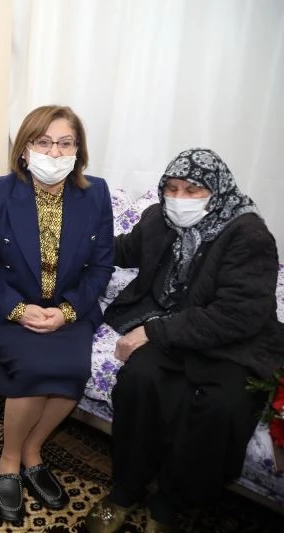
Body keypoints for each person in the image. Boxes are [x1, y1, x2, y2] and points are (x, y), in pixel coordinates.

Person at [84, 148, 284, 533]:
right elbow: (126, 249)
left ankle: (169, 504)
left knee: (220, 408)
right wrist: (77, 244)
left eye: (193, 190)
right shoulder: (159, 218)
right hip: (176, 330)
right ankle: (125, 490)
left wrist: (151, 331)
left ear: (217, 189)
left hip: (233, 342)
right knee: (138, 381)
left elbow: (238, 314)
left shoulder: (249, 234)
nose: (179, 198)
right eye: (172, 188)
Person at [0, 105, 115, 523]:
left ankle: (34, 450)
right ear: (24, 148)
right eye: (44, 142)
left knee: (72, 369)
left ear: (78, 150)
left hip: (68, 307)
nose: (55, 152)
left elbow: (101, 267)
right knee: (33, 369)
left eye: (66, 143)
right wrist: (18, 310)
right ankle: (9, 460)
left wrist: (67, 312)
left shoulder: (95, 194)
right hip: (9, 306)